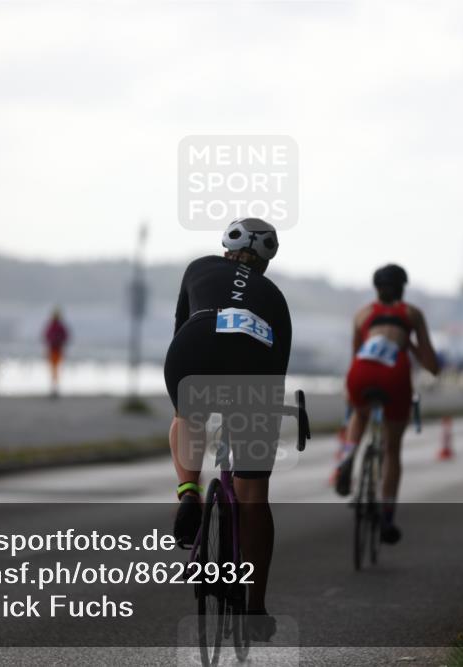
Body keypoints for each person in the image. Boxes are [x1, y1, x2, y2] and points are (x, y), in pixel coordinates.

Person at [163, 218, 291, 642]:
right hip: (253, 369)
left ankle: (188, 494)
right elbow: (277, 373)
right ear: (267, 263)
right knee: (253, 494)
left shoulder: (197, 268)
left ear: (224, 250)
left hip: (193, 348)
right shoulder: (274, 297)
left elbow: (180, 328)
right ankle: (256, 608)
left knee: (188, 415)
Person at [334, 264, 438, 545]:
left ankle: (348, 455)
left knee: (359, 411)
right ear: (403, 288)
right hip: (394, 374)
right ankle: (387, 517)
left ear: (376, 289)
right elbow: (433, 367)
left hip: (362, 372)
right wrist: (412, 345)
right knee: (392, 449)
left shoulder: (362, 314)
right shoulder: (412, 314)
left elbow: (356, 355)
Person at [44, 307, 70, 397]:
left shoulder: (58, 326)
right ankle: (54, 388)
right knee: (54, 369)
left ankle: (55, 388)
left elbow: (66, 336)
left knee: (56, 369)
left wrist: (58, 341)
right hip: (53, 349)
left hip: (57, 349)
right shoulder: (52, 326)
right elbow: (46, 336)